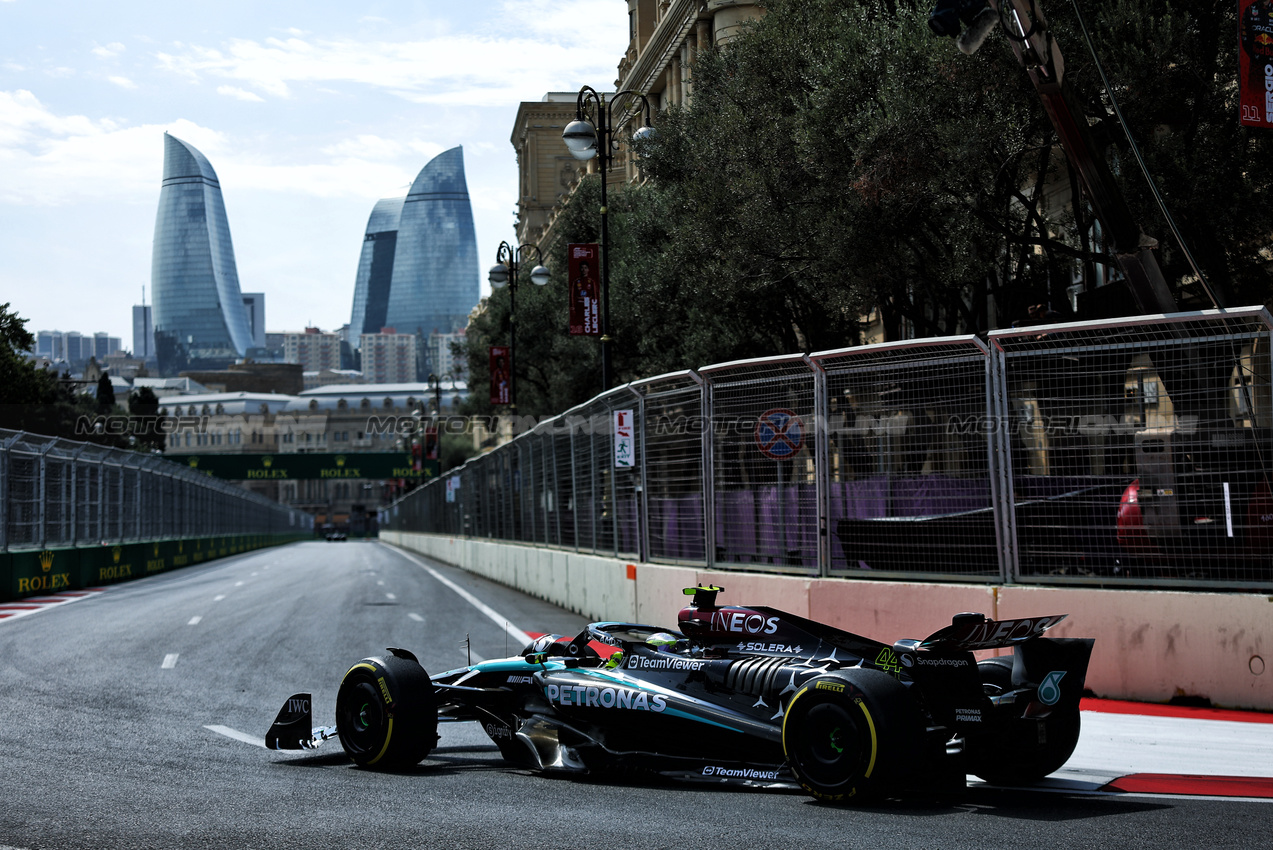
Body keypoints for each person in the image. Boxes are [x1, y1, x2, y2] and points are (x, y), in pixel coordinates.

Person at [573, 259, 599, 335]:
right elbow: (573, 296)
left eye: (585, 268)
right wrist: (573, 307)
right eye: (582, 268)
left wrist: (595, 307)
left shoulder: (591, 282)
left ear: (588, 269)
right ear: (580, 269)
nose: (583, 270)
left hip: (589, 306)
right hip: (579, 305)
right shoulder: (576, 282)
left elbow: (594, 295)